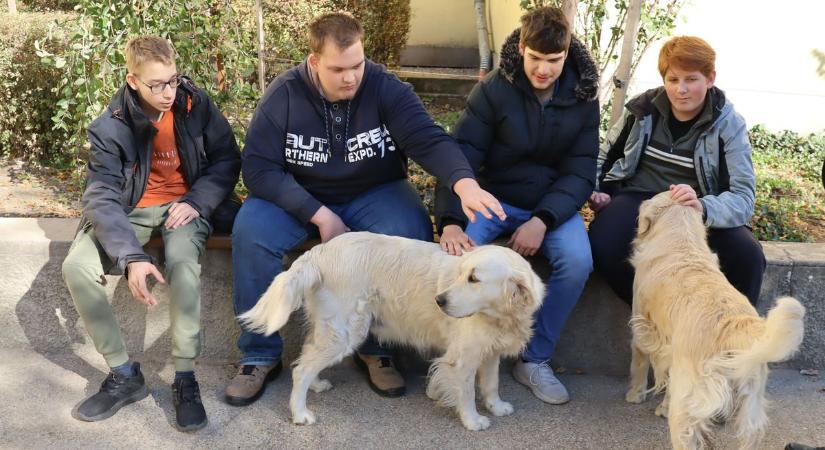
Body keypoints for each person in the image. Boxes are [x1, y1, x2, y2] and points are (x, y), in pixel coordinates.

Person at [226, 11, 504, 405]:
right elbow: (257, 168)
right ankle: (258, 355)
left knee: (410, 230)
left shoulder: (385, 88)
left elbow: (427, 139)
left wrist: (464, 182)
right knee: (250, 232)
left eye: (357, 65)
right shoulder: (284, 94)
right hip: (296, 196)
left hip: (374, 191)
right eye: (338, 69)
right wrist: (319, 214)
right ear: (314, 63)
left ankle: (376, 348)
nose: (351, 77)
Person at [61, 35, 241, 431]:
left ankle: (185, 377)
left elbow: (228, 159)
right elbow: (102, 197)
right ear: (132, 81)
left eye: (173, 80)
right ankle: (125, 376)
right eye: (156, 84)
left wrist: (197, 201)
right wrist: (132, 258)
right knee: (75, 267)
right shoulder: (111, 126)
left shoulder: (195, 105)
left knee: (182, 262)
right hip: (131, 213)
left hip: (186, 206)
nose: (167, 92)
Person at [434, 6, 600, 405]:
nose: (544, 70)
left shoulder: (583, 96)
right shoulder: (493, 88)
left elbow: (580, 172)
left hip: (552, 204)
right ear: (522, 48)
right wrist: (452, 220)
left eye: (554, 61)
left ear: (566, 54)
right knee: (460, 259)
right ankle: (462, 354)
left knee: (578, 262)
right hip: (495, 198)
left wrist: (543, 220)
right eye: (536, 59)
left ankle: (534, 359)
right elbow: (462, 156)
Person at [589, 35, 766, 308]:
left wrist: (703, 207)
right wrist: (596, 189)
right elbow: (604, 155)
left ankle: (735, 340)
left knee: (748, 257)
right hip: (639, 198)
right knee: (604, 241)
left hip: (697, 205)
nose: (681, 89)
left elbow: (743, 198)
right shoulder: (642, 110)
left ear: (710, 78)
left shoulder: (729, 124)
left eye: (691, 79)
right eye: (673, 80)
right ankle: (659, 313)